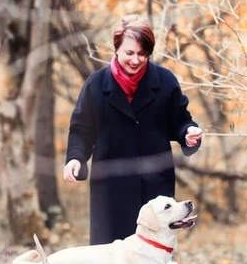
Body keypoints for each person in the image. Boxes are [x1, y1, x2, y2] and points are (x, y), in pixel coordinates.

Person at [64, 14, 203, 246]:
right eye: (129, 53)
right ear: (116, 49)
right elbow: (81, 130)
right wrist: (76, 158)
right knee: (108, 259)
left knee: (153, 256)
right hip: (111, 188)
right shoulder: (96, 85)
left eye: (142, 54)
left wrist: (189, 133)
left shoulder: (166, 81)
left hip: (155, 189)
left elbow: (180, 121)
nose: (136, 60)